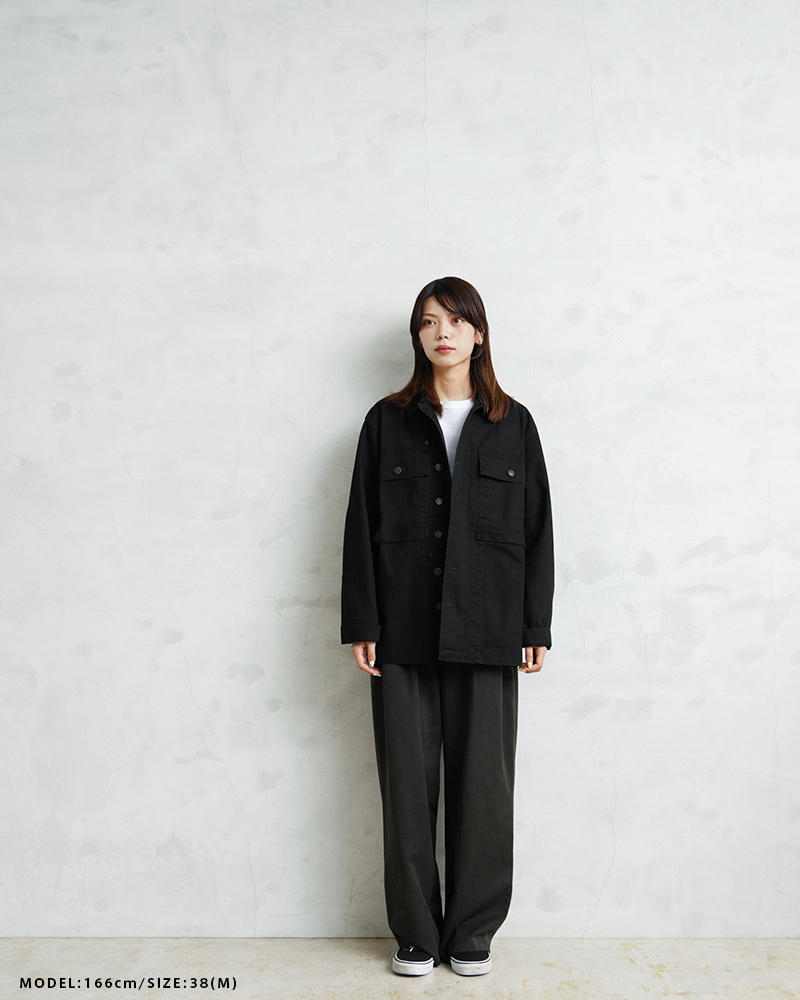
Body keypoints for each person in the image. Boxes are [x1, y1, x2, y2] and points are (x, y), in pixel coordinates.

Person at [340, 276, 554, 977]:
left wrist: (535, 625)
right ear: (418, 335)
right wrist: (363, 620)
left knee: (484, 787)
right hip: (402, 627)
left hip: (489, 628)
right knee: (406, 785)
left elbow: (537, 529)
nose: (443, 333)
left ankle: (472, 931)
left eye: (456, 321)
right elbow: (361, 524)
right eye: (429, 321)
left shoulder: (514, 423)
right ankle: (415, 933)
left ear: (479, 334)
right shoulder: (386, 421)